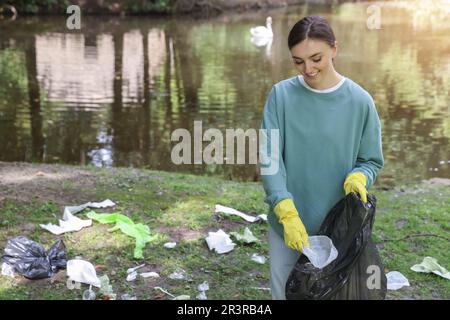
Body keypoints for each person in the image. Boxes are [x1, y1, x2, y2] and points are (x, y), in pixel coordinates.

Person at [259, 15, 384, 300]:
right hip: (288, 224)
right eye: (298, 61)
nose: (308, 69)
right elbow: (270, 159)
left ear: (334, 49)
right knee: (284, 294)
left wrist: (360, 176)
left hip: (340, 227)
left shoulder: (360, 101)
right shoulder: (280, 96)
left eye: (316, 58)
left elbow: (371, 160)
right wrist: (284, 209)